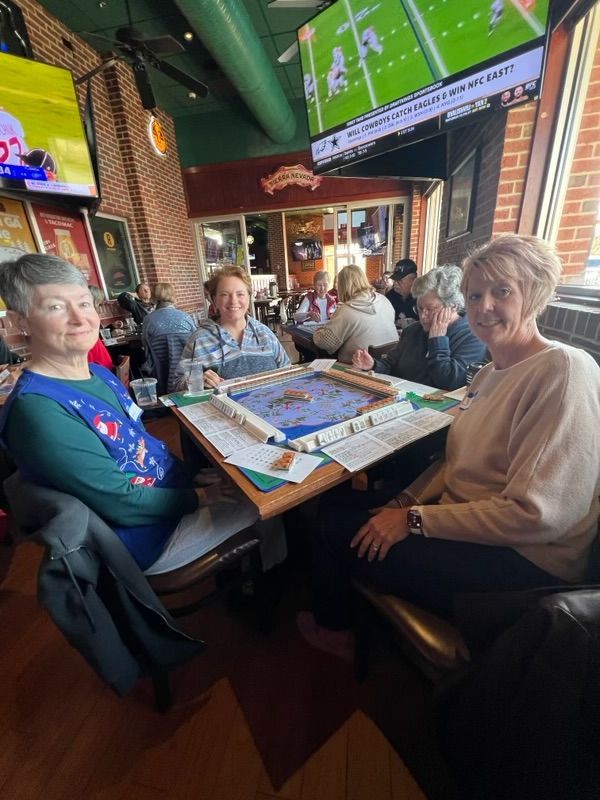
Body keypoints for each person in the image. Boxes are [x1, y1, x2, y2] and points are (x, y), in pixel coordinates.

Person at [298, 234, 600, 658]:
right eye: (475, 295)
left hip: (524, 565)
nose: (484, 306)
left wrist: (412, 520)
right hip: (463, 519)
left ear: (534, 294)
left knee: (331, 529)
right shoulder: (488, 374)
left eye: (502, 291)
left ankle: (336, 632)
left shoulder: (564, 369)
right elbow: (453, 460)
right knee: (334, 505)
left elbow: (537, 516)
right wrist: (405, 501)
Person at [0, 254, 263, 574]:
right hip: (150, 538)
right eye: (55, 307)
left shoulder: (100, 374)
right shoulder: (38, 409)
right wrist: (201, 496)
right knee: (266, 501)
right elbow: (121, 504)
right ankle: (262, 584)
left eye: (83, 303)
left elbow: (141, 449)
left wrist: (189, 478)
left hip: (170, 499)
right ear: (20, 322)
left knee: (252, 481)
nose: (80, 319)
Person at [352, 264, 486, 390]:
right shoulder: (412, 331)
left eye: (431, 309)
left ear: (453, 307)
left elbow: (449, 382)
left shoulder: (474, 336)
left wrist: (437, 340)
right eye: (419, 308)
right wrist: (373, 365)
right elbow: (391, 366)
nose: (423, 316)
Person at [176, 265, 289, 390]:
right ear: (214, 300)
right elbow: (176, 385)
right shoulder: (199, 341)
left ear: (249, 297)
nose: (233, 301)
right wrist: (196, 380)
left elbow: (288, 371)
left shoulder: (265, 334)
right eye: (225, 294)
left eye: (240, 294)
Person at [312, 264, 397, 363]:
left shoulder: (346, 310)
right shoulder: (383, 300)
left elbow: (325, 343)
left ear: (342, 286)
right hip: (389, 363)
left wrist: (318, 332)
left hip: (358, 367)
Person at [141, 282, 196, 395]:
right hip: (187, 373)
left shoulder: (148, 319)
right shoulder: (186, 317)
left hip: (160, 372)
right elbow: (196, 341)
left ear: (154, 297)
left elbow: (145, 345)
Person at [87, 284, 114, 371]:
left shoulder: (89, 315)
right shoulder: (90, 315)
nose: (101, 303)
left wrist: (112, 327)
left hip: (98, 364)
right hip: (99, 361)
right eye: (99, 301)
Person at [387, 258, 419, 326]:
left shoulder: (422, 299)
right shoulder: (390, 296)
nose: (395, 284)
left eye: (399, 281)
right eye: (394, 280)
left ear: (414, 280)